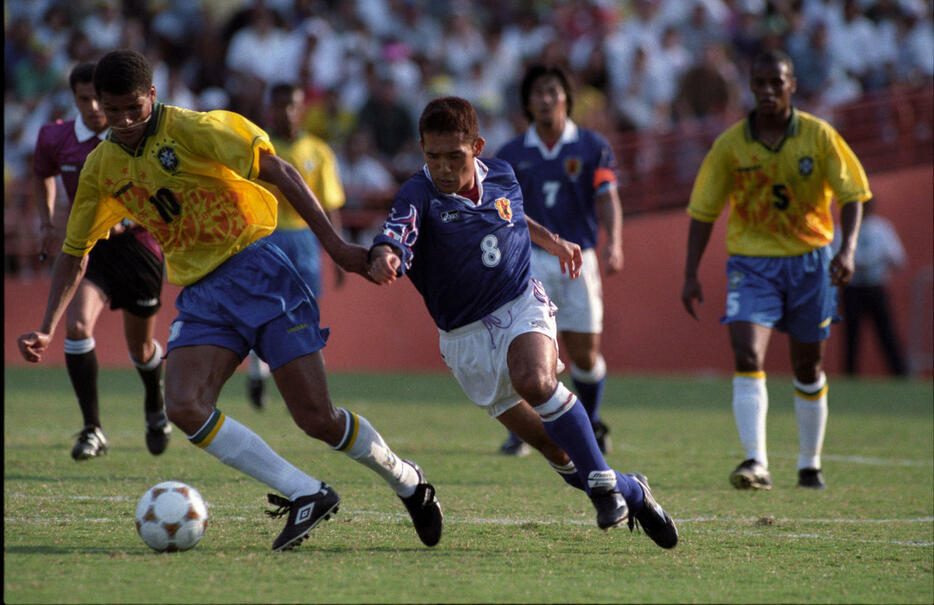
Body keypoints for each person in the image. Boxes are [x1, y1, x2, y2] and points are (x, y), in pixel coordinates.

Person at [17, 49, 442, 552]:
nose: (125, 121)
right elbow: (74, 251)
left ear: (153, 95)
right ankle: (305, 492)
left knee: (316, 418)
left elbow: (280, 172)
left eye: (134, 107)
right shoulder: (101, 167)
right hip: (201, 293)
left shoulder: (196, 129)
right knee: (184, 405)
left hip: (260, 269)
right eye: (113, 112)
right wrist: (48, 324)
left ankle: (407, 481)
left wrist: (340, 249)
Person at [368, 96, 677, 549]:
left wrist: (551, 240)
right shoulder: (418, 193)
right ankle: (630, 489)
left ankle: (606, 493)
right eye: (432, 156)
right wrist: (386, 256)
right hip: (465, 340)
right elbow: (396, 233)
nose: (443, 168)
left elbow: (511, 217)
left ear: (477, 146)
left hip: (519, 304)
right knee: (556, 449)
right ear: (421, 150)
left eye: (455, 156)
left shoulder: (505, 175)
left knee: (534, 378)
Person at [680, 50, 870, 491]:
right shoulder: (730, 145)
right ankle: (756, 462)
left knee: (808, 366)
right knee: (746, 351)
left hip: (811, 262)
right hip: (752, 263)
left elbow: (853, 194)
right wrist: (690, 273)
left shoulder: (819, 137)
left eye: (776, 83)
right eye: (759, 83)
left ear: (792, 85)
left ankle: (809, 463)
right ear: (750, 87)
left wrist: (848, 250)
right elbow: (703, 213)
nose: (767, 91)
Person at [32, 61, 170, 461]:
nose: (93, 107)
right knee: (76, 327)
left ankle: (154, 404)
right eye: (84, 99)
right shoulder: (56, 137)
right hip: (87, 248)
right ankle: (92, 428)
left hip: (139, 249)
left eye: (98, 99)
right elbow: (42, 173)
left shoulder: (133, 135)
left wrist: (130, 218)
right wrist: (46, 222)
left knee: (140, 349)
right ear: (74, 98)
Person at [495, 64, 623, 457]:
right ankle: (525, 432)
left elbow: (607, 196)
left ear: (567, 98)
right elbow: (498, 211)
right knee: (527, 350)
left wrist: (614, 242)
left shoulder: (592, 146)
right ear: (528, 104)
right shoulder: (512, 152)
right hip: (529, 261)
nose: (546, 99)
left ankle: (593, 419)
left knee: (584, 353)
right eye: (538, 93)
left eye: (553, 91)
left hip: (579, 259)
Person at [245, 82, 347, 409]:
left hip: (305, 237)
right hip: (266, 235)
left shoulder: (318, 151)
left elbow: (329, 205)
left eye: (293, 105)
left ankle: (310, 382)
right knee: (264, 307)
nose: (286, 112)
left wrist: (338, 251)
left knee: (306, 312)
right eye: (280, 105)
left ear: (302, 108)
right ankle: (258, 370)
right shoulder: (256, 148)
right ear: (269, 109)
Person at [841, 198, 908, 376]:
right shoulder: (844, 227)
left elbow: (899, 259)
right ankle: (850, 375)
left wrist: (876, 261)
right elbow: (834, 257)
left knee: (886, 332)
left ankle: (900, 374)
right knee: (851, 335)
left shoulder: (882, 229)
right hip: (852, 288)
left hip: (875, 286)